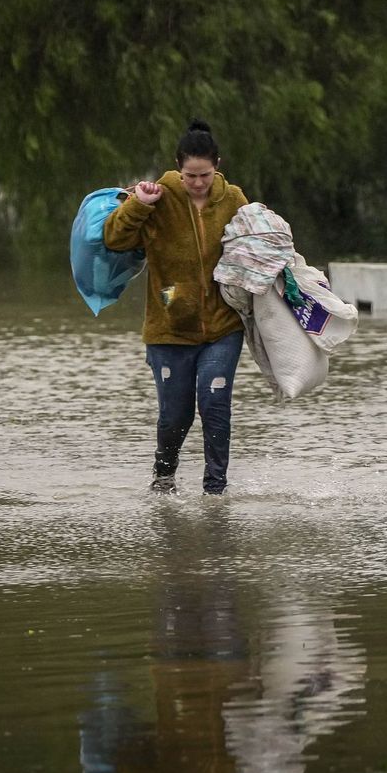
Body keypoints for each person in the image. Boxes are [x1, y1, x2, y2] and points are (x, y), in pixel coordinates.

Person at [104, 120, 250, 494]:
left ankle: (215, 491)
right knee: (176, 415)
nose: (197, 183)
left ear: (217, 165)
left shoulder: (233, 199)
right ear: (177, 167)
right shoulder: (158, 195)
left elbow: (260, 245)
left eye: (204, 175)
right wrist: (139, 205)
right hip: (168, 326)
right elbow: (115, 239)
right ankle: (164, 477)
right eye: (190, 175)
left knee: (215, 403)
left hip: (222, 326)